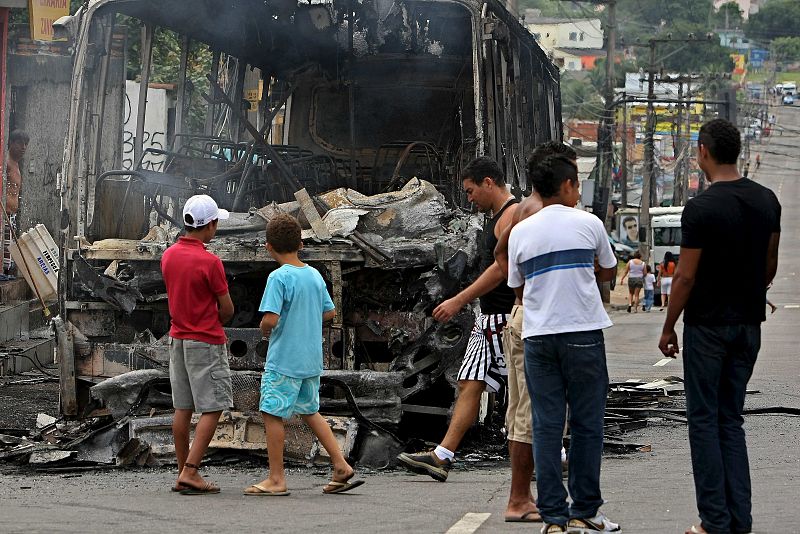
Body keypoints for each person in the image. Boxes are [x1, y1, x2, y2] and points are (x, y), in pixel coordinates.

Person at [658, 119, 781, 534]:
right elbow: (770, 266)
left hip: (708, 327)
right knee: (731, 420)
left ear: (703, 152)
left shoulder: (701, 208)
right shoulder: (767, 200)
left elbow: (686, 277)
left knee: (704, 421)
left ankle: (714, 520)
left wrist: (668, 325)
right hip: (749, 326)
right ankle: (738, 520)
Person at [507, 154, 620, 534]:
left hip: (538, 337)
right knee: (588, 424)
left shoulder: (521, 231)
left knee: (546, 425)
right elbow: (607, 269)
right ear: (570, 185)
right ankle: (585, 508)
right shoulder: (589, 223)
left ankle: (553, 518)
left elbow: (518, 287)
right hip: (583, 334)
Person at [398, 157, 518, 485]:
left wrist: (458, 300)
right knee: (470, 384)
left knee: (527, 389)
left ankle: (555, 455)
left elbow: (501, 270)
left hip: (506, 320)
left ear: (489, 183)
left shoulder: (511, 216)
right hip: (489, 318)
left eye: (470, 191)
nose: (469, 199)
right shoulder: (497, 217)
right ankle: (442, 456)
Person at [244, 213, 364, 496]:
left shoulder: (278, 277)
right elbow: (330, 312)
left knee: (271, 413)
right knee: (311, 411)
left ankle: (276, 478)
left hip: (284, 359)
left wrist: (263, 331)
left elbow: (270, 320)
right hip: (311, 360)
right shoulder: (313, 275)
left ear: (268, 247)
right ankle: (340, 465)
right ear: (301, 243)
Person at [494, 141, 577, 523]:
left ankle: (525, 497)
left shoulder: (526, 209)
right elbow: (503, 255)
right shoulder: (539, 210)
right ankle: (517, 500)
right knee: (531, 413)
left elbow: (501, 254)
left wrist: (520, 292)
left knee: (527, 411)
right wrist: (525, 293)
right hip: (535, 318)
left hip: (528, 315)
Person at [161, 194, 234, 495]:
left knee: (183, 407)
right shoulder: (210, 261)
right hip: (205, 340)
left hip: (178, 338)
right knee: (214, 406)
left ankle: (182, 470)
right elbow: (227, 309)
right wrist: (213, 317)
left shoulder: (169, 255)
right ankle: (191, 471)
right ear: (210, 225)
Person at [3, 130, 29, 275]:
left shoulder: (16, 164)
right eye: (20, 143)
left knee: (9, 254)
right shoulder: (5, 162)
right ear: (11, 143)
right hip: (4, 215)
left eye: (26, 144)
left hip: (11, 216)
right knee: (5, 254)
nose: (23, 147)